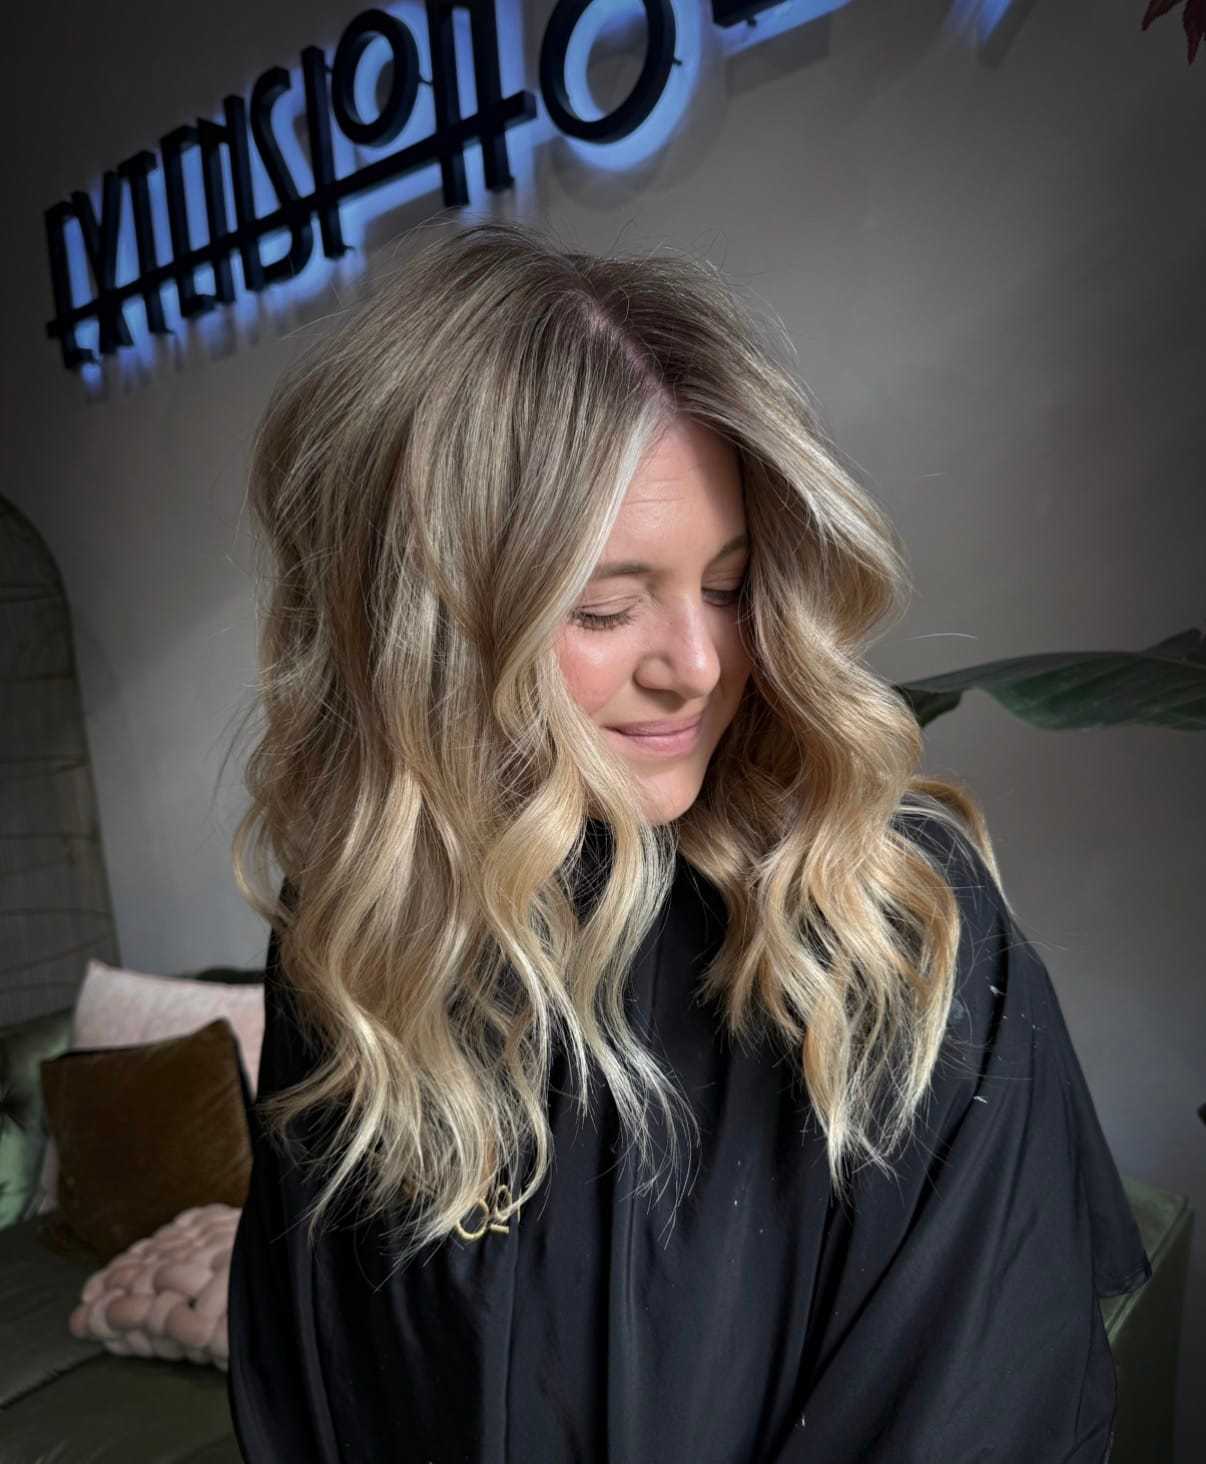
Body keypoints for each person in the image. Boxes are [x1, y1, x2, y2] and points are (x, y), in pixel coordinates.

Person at [224, 218, 1151, 1463]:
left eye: (730, 583)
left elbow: (981, 1410)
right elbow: (314, 1385)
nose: (700, 666)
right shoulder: (353, 932)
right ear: (421, 632)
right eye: (606, 606)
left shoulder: (892, 930)